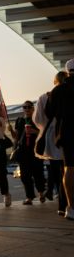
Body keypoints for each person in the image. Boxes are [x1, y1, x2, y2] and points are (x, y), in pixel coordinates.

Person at [34, 71, 68, 215]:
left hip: (51, 139)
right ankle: (65, 203)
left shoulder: (44, 97)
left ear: (54, 81)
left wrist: (46, 126)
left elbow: (37, 120)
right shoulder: (69, 92)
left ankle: (61, 206)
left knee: (59, 174)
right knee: (67, 171)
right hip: (67, 135)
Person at [46, 59, 74, 220]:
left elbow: (49, 113)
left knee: (69, 168)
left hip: (66, 133)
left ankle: (70, 207)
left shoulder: (58, 90)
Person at [14, 100, 46, 205]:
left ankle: (41, 193)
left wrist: (34, 131)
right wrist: (12, 134)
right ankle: (29, 197)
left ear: (33, 108)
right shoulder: (20, 120)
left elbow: (44, 133)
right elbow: (17, 137)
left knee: (38, 173)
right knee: (25, 175)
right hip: (23, 151)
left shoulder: (37, 119)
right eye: (25, 107)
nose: (27, 109)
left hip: (35, 150)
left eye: (29, 107)